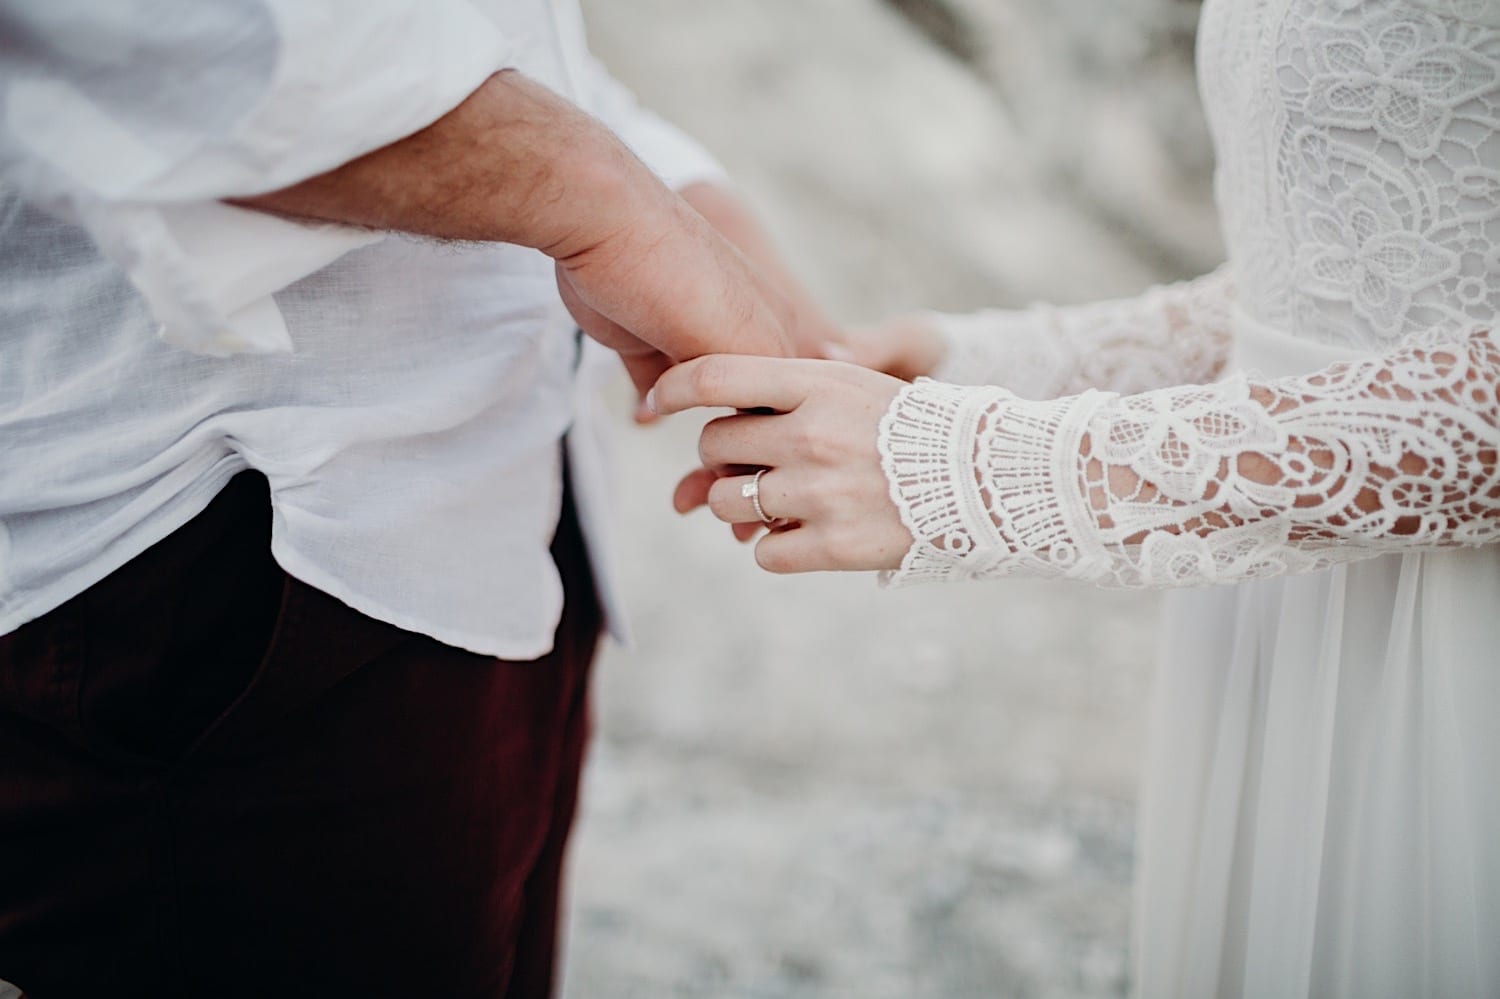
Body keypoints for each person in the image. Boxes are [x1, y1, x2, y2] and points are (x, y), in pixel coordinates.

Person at [650, 1, 1500, 996]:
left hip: (1456, 636)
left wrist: (984, 466)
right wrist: (988, 367)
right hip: (1303, 619)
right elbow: (1357, 265)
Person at [0, 2, 840, 996]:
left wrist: (686, 199)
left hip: (496, 508)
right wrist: (611, 203)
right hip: (216, 558)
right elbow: (175, 34)